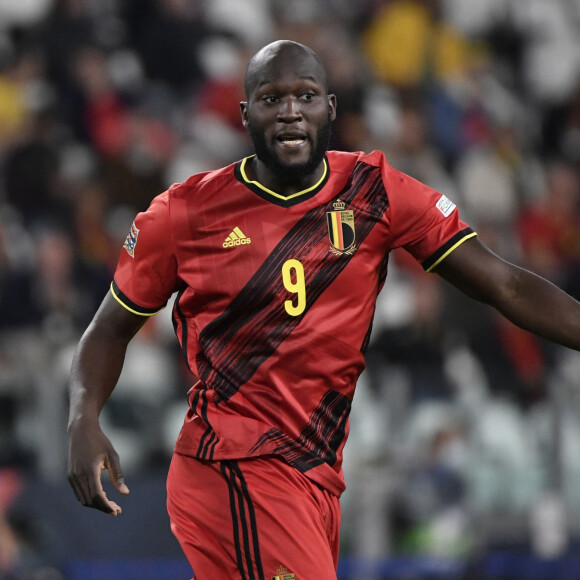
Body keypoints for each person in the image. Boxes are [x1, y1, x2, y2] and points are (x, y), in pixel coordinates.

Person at [66, 40, 580, 580]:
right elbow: (109, 329)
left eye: (306, 95)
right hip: (236, 467)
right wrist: (83, 417)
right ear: (246, 115)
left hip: (315, 475)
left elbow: (506, 285)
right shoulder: (184, 214)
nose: (290, 110)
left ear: (330, 109)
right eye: (271, 98)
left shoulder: (373, 192)